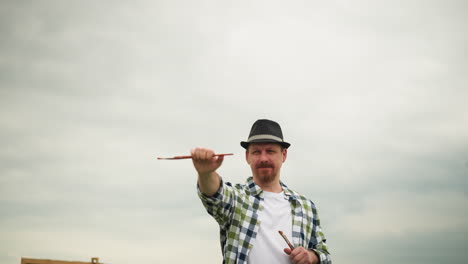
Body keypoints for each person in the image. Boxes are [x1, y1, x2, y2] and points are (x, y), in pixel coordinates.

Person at [192, 119, 331, 264]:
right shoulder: (237, 198)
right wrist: (206, 173)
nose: (263, 158)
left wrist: (311, 256)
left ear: (284, 155)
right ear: (247, 156)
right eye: (257, 152)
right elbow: (214, 194)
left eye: (270, 151)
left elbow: (324, 254)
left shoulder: (305, 206)